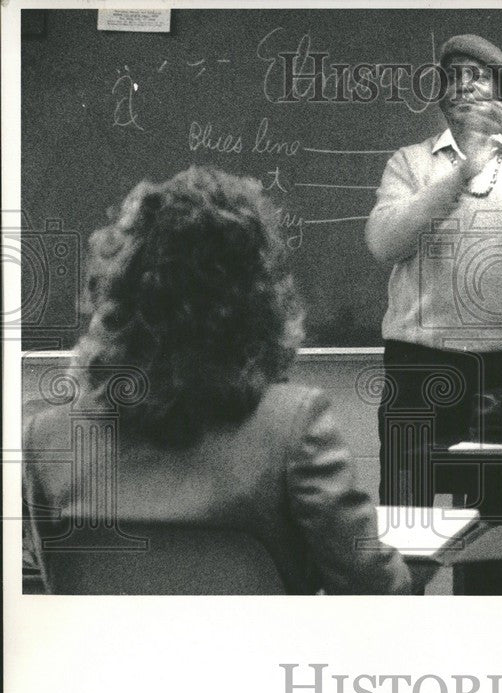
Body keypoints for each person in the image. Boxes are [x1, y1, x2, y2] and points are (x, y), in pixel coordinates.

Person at [22, 166, 413, 595]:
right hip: (259, 661)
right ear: (258, 296)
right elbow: (376, 590)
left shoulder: (48, 439)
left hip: (111, 661)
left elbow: (53, 593)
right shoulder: (293, 428)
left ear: (117, 292)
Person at [366, 34, 502, 594]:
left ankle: (485, 646)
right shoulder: (411, 163)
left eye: (479, 74)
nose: (464, 83)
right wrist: (456, 176)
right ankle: (401, 652)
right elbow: (384, 242)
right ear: (441, 95)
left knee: (496, 538)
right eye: (454, 75)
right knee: (410, 533)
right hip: (419, 368)